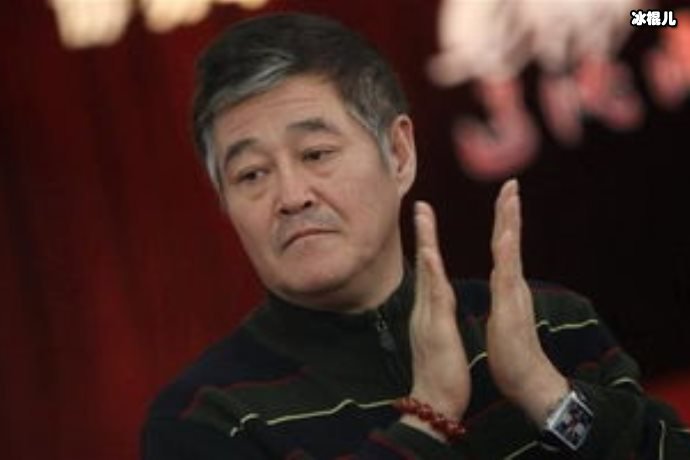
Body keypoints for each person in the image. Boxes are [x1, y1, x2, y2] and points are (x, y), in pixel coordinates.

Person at [141, 12, 690, 459]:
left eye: (316, 154)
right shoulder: (207, 419)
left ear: (399, 154)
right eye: (251, 175)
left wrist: (545, 393)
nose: (291, 196)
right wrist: (428, 418)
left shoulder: (551, 325)